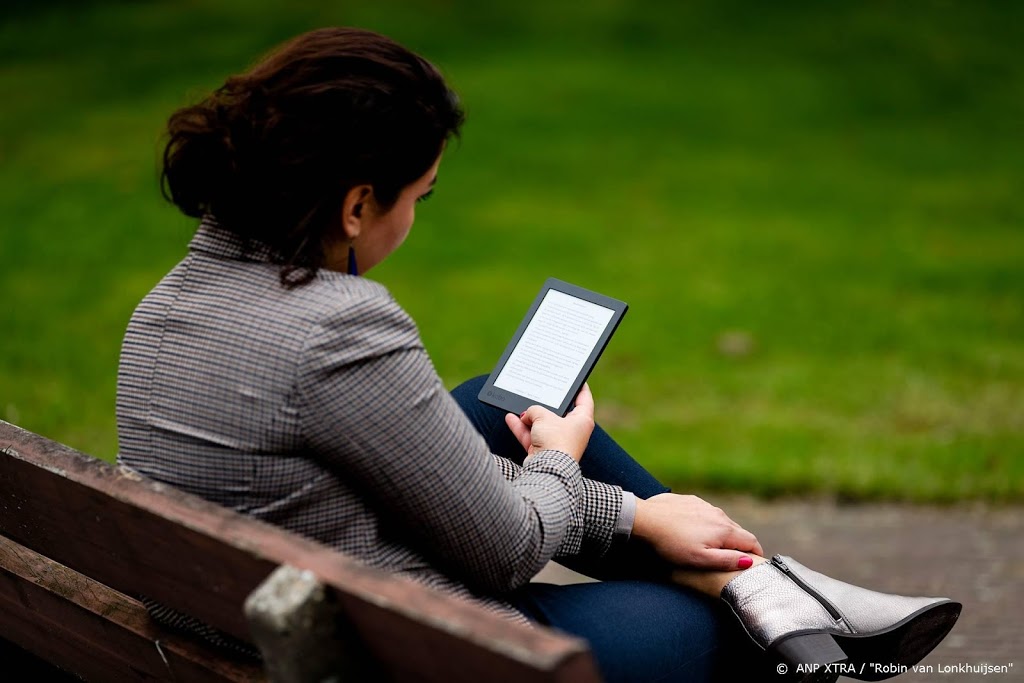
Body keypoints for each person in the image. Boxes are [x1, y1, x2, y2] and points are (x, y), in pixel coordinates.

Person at [116, 27, 960, 683]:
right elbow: (502, 547)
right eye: (418, 198)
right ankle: (770, 601)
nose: (413, 221)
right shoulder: (335, 328)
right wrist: (577, 472)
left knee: (496, 396)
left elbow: (430, 491)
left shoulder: (168, 308)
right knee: (721, 631)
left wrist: (622, 511)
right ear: (356, 203)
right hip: (413, 651)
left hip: (261, 614)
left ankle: (773, 588)